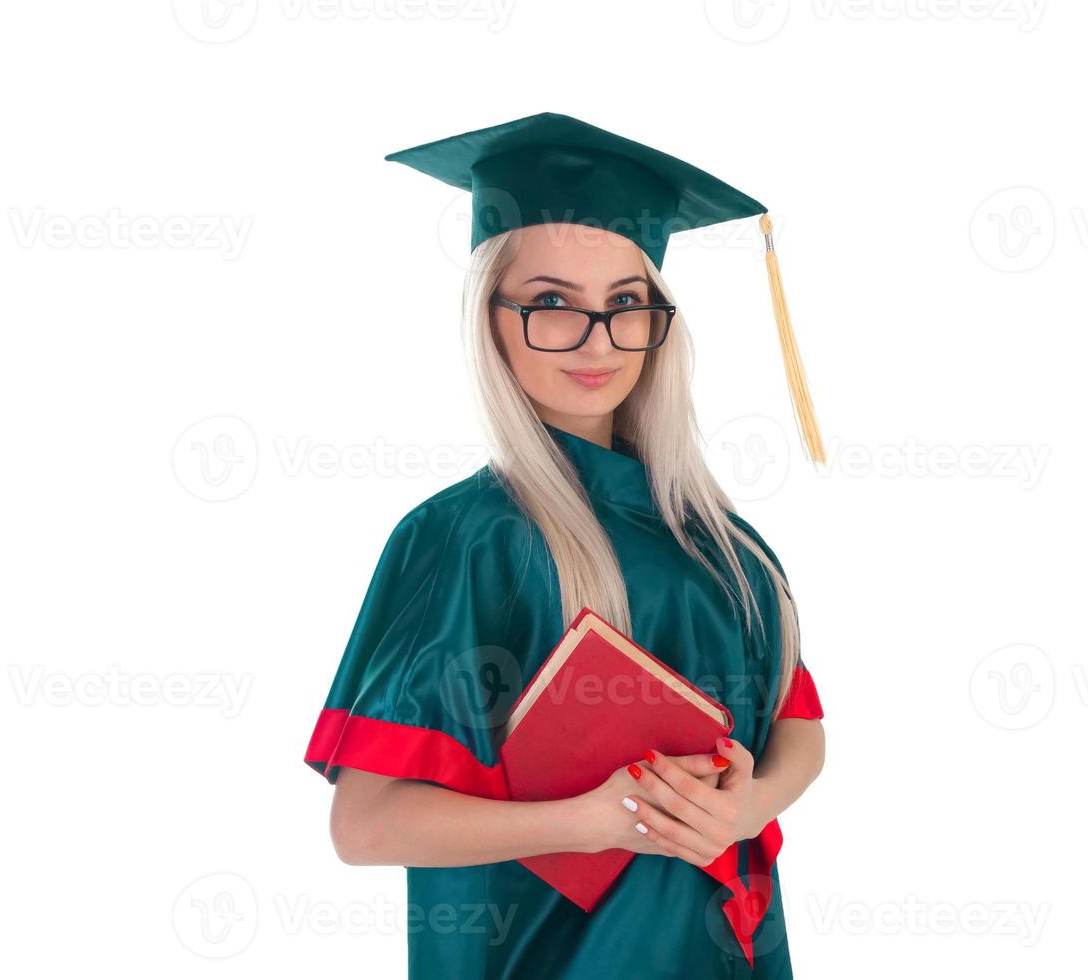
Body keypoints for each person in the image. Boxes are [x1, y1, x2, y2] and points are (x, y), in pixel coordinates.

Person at [303, 111, 828, 978]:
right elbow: (364, 827)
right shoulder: (465, 538)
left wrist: (749, 807)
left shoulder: (723, 541)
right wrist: (588, 821)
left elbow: (799, 727)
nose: (596, 341)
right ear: (492, 317)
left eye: (625, 305)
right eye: (551, 304)